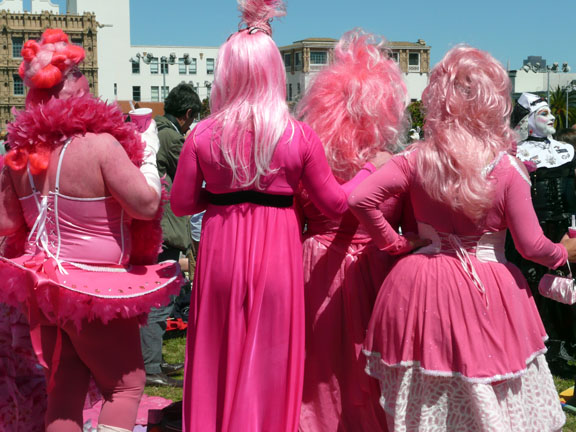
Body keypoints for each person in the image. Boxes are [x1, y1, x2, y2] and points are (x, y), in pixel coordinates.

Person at [170, 1, 377, 430]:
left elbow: (182, 204)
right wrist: (370, 172)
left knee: (216, 351)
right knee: (271, 357)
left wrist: (221, 196)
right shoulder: (298, 136)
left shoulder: (202, 135)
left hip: (221, 253)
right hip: (278, 259)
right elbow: (336, 205)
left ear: (226, 74)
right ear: (274, 73)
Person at [348, 45, 576, 431]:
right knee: (488, 386)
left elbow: (360, 199)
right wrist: (561, 254)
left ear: (439, 97)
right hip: (489, 289)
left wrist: (395, 243)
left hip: (420, 283)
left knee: (428, 388)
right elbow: (530, 246)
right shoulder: (507, 167)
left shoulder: (416, 158)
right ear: (492, 100)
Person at [0, 29, 181, 432]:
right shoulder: (100, 145)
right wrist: (147, 155)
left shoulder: (19, 154)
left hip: (46, 288)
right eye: (79, 75)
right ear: (64, 87)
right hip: (95, 290)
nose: (88, 83)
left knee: (65, 386)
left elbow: (6, 223)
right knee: (126, 385)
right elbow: (146, 204)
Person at [295, 29, 412, 432]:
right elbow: (410, 227)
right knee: (370, 366)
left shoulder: (308, 160)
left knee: (317, 367)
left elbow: (293, 223)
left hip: (314, 270)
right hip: (376, 269)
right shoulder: (392, 163)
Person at [507, 93, 576, 376]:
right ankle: (538, 346)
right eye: (543, 113)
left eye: (550, 112)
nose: (551, 118)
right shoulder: (515, 153)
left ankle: (564, 345)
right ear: (527, 120)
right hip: (529, 230)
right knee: (533, 287)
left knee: (564, 287)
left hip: (562, 231)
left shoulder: (566, 150)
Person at [140, 83, 201, 388]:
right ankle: (151, 366)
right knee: (160, 300)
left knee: (157, 298)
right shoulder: (171, 137)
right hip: (165, 229)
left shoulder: (153, 130)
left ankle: (152, 360)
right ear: (187, 113)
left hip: (153, 228)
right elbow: (195, 176)